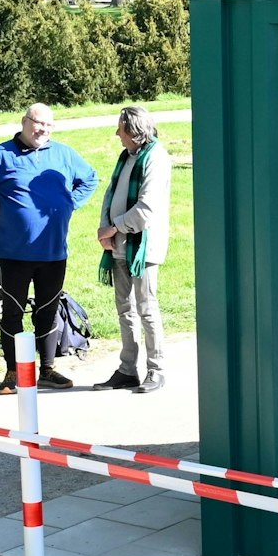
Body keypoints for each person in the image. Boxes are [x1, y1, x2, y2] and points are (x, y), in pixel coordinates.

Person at [0, 102, 98, 390]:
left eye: (48, 125)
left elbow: (90, 179)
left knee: (47, 310)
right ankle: (14, 372)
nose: (42, 129)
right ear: (24, 122)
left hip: (53, 251)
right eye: (37, 123)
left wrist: (69, 204)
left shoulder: (64, 154)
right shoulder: (0, 155)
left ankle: (48, 369)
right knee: (12, 312)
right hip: (14, 252)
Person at [93, 105, 173, 393]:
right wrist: (105, 229)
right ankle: (127, 370)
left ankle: (156, 370)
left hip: (142, 249)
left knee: (146, 308)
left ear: (134, 131)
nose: (117, 133)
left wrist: (114, 228)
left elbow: (146, 209)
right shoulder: (125, 157)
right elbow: (110, 194)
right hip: (118, 247)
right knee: (125, 310)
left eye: (121, 128)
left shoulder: (156, 157)